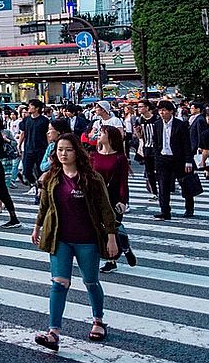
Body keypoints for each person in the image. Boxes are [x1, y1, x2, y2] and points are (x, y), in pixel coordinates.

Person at [32, 133, 119, 351]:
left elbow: (105, 209)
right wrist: (37, 227)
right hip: (59, 238)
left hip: (87, 239)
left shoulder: (91, 178)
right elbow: (45, 205)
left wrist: (111, 237)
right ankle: (53, 333)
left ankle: (99, 321)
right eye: (60, 150)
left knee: (90, 282)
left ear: (77, 152)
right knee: (59, 283)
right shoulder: (52, 177)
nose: (63, 154)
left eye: (68, 149)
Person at [92, 125, 136, 273]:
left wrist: (123, 201)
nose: (99, 135)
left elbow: (124, 181)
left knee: (113, 226)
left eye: (102, 133)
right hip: (97, 197)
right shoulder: (93, 155)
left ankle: (113, 259)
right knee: (101, 228)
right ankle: (124, 246)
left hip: (114, 197)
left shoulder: (120, 158)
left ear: (110, 137)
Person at [152, 100, 195, 219]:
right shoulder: (158, 124)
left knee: (185, 183)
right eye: (160, 110)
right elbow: (155, 142)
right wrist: (157, 158)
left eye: (164, 110)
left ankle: (189, 208)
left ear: (171, 111)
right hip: (163, 158)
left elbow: (186, 144)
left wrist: (188, 160)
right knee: (163, 185)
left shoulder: (180, 124)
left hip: (178, 159)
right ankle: (165, 211)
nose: (162, 113)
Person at [18, 99, 50, 192]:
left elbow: (47, 134)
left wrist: (49, 148)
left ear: (37, 108)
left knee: (40, 171)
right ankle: (34, 184)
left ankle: (41, 191)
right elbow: (23, 133)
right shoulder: (26, 119)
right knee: (26, 171)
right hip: (28, 149)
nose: (28, 107)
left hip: (41, 149)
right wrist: (19, 145)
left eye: (31, 106)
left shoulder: (44, 120)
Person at [136, 100, 161, 197]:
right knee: (149, 171)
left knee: (159, 170)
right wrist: (138, 133)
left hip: (156, 147)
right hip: (146, 147)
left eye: (141, 107)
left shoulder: (156, 119)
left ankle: (162, 189)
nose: (139, 109)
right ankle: (154, 191)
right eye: (138, 107)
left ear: (147, 108)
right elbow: (139, 136)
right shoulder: (139, 120)